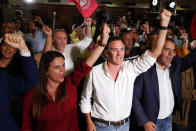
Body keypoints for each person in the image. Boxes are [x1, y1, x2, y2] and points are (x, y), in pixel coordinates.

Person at [80, 9, 172, 131]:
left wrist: (164, 24)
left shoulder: (130, 69)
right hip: (101, 126)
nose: (119, 54)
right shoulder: (95, 72)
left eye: (122, 49)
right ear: (106, 54)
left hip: (124, 126)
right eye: (115, 50)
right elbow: (85, 99)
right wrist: (88, 120)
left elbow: (155, 52)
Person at [21, 24, 110, 131]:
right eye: (57, 67)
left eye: (63, 65)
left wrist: (102, 44)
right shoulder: (33, 93)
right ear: (45, 71)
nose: (62, 70)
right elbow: (26, 126)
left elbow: (86, 65)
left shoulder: (69, 83)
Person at [132, 37, 196, 131]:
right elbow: (134, 97)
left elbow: (190, 59)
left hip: (168, 120)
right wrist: (144, 121)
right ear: (158, 50)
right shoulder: (145, 69)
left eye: (173, 50)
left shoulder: (175, 65)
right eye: (167, 49)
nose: (171, 54)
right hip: (151, 123)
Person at [0, 34, 39, 131]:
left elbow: (32, 80)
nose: (8, 48)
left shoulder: (6, 77)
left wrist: (23, 48)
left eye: (12, 46)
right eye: (5, 45)